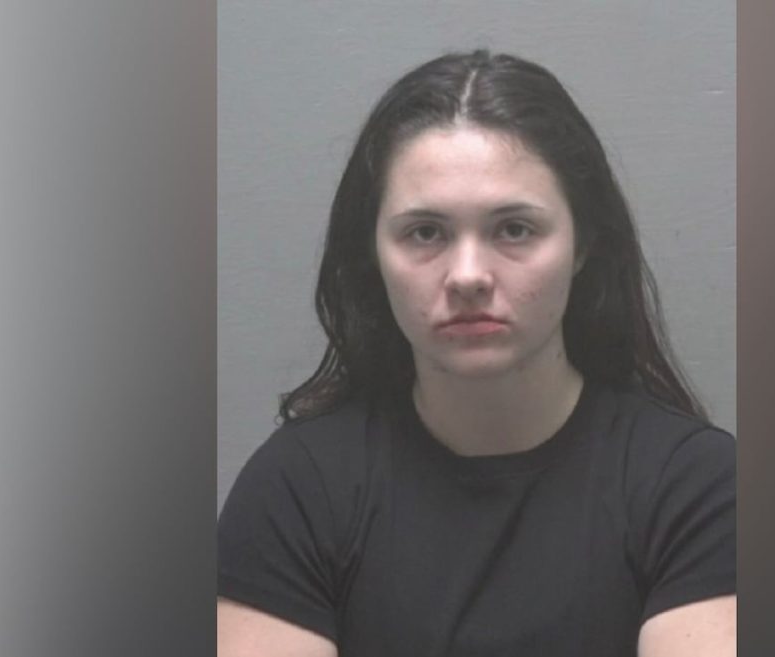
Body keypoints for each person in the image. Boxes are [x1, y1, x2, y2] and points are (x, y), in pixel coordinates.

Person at [217, 50, 736, 656]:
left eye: (514, 229)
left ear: (582, 244)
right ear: (373, 255)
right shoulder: (295, 490)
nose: (467, 275)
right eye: (425, 232)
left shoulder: (697, 487)